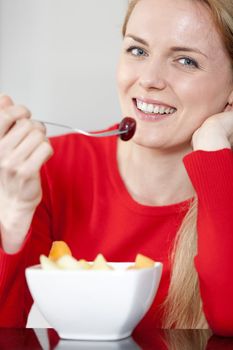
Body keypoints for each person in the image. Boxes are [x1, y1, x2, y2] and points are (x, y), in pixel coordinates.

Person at [0, 0, 232, 337]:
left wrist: (213, 144)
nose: (149, 79)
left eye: (186, 60)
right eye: (137, 51)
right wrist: (12, 216)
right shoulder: (49, 168)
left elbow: (228, 321)